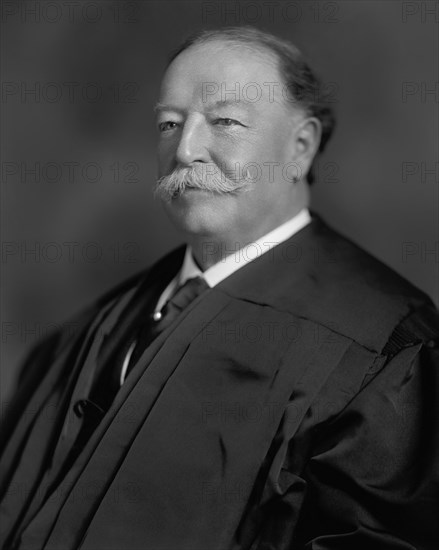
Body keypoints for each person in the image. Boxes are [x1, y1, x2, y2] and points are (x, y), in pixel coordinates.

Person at [1, 26, 438, 550]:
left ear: (301, 147)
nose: (185, 149)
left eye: (226, 121)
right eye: (168, 123)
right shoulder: (83, 334)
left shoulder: (384, 346)